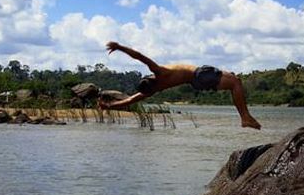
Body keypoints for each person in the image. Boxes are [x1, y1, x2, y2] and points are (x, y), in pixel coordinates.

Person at [98, 41, 261, 130]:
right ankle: (245, 117)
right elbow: (139, 56)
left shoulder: (153, 89)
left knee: (233, 79)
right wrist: (119, 47)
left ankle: (245, 117)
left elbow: (129, 101)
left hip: (196, 82)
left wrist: (108, 106)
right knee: (236, 82)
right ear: (151, 78)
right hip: (198, 75)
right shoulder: (159, 73)